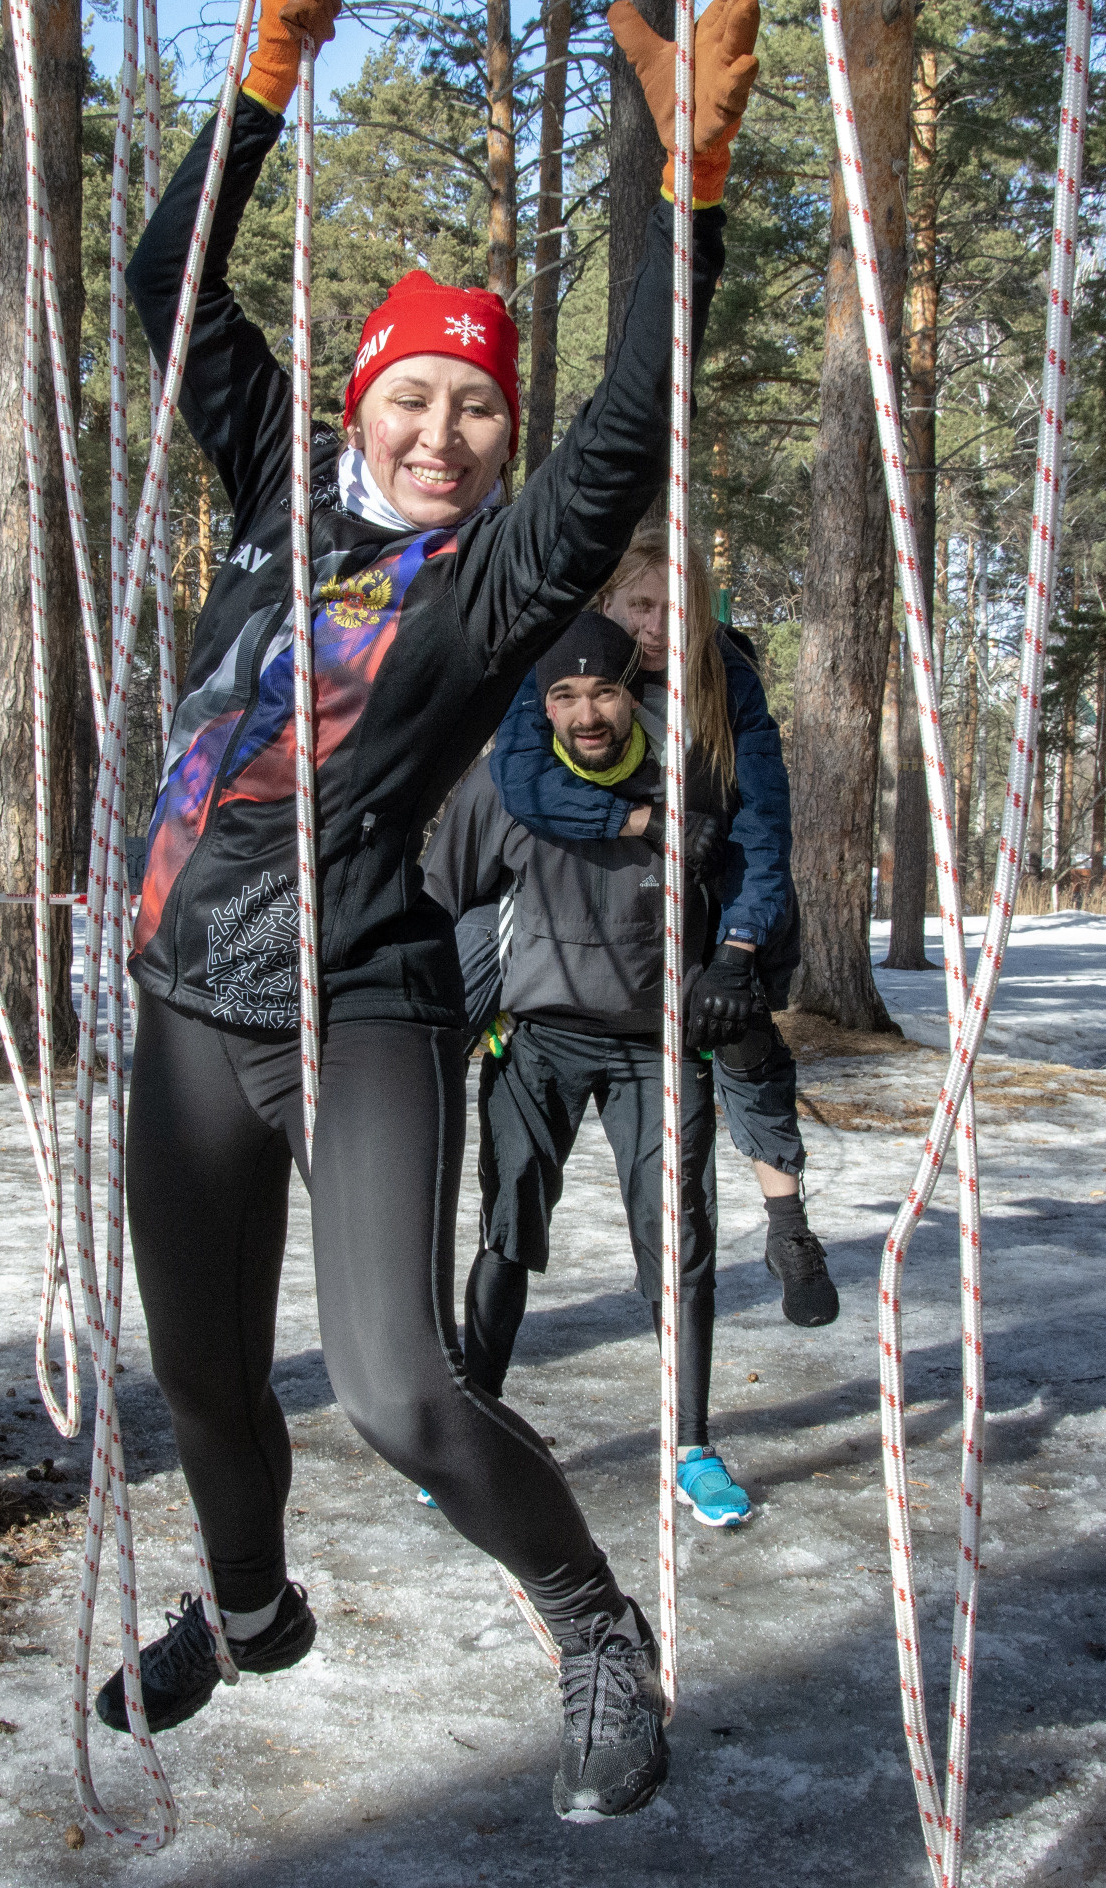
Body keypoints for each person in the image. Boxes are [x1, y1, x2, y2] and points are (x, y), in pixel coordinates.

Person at [101, 0, 767, 1826]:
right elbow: (166, 280)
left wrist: (684, 192)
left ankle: (595, 1630)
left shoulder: (489, 586)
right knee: (211, 1392)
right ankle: (247, 1615)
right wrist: (253, 91)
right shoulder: (270, 486)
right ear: (366, 399)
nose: (442, 429)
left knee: (393, 1389)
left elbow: (632, 428)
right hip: (181, 1002)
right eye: (415, 395)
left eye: (476, 407)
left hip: (361, 998)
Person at [427, 610, 758, 1527]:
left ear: (634, 690)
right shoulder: (507, 785)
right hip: (536, 1041)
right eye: (564, 694)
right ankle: (474, 1428)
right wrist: (465, 1001)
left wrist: (736, 968)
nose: (586, 712)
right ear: (543, 702)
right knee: (508, 1229)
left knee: (678, 1242)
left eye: (603, 690)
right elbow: (438, 902)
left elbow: (750, 884)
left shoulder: (689, 779)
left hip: (659, 1047)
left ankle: (690, 1445)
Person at [486, 533, 838, 1330]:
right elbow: (520, 779)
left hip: (719, 893)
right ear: (606, 603)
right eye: (640, 605)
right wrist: (641, 820)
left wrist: (740, 947)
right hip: (594, 915)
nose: (656, 626)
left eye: (677, 610)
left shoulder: (726, 680)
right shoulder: (566, 665)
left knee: (741, 1028)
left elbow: (763, 825)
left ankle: (788, 1227)